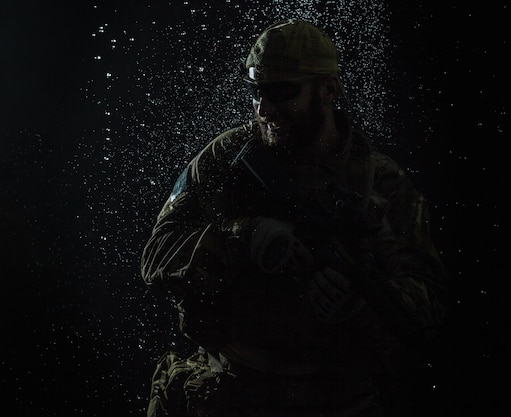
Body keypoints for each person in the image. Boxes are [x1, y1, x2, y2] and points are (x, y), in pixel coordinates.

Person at [141, 18, 447, 417]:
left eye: (283, 92)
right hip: (236, 390)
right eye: (257, 92)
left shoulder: (383, 185)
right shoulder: (226, 158)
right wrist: (243, 237)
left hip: (338, 397)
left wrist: (357, 306)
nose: (264, 109)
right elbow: (156, 257)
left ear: (329, 89)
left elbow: (428, 303)